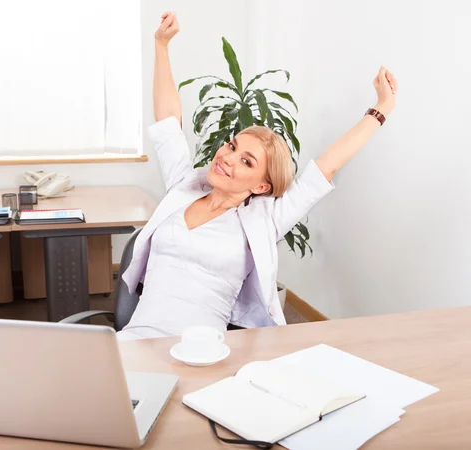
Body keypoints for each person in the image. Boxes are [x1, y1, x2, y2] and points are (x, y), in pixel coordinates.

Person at [116, 12, 398, 340]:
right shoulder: (185, 186)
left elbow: (325, 166)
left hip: (204, 355)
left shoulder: (265, 219)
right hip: (136, 343)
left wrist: (382, 109)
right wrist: (161, 44)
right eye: (232, 147)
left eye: (247, 162)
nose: (227, 157)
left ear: (263, 185)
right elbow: (168, 122)